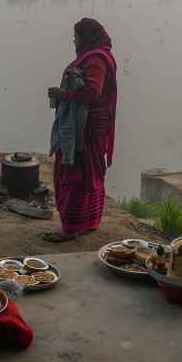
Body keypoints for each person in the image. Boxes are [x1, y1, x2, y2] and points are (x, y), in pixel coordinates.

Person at [44, 18, 118, 242]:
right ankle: (88, 222)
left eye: (76, 36)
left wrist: (63, 94)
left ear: (85, 37)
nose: (74, 40)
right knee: (89, 174)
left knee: (75, 173)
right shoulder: (95, 56)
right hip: (90, 126)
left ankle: (72, 227)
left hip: (85, 128)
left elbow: (92, 92)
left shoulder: (95, 59)